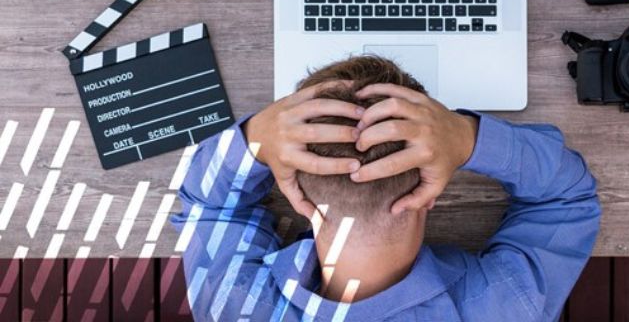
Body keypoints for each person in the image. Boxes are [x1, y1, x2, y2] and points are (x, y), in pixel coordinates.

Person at [172, 56, 601, 322]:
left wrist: (255, 138)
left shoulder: (234, 306)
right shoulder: (507, 306)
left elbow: (207, 206)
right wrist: (468, 138)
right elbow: (567, 196)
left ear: (297, 194)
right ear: (430, 194)